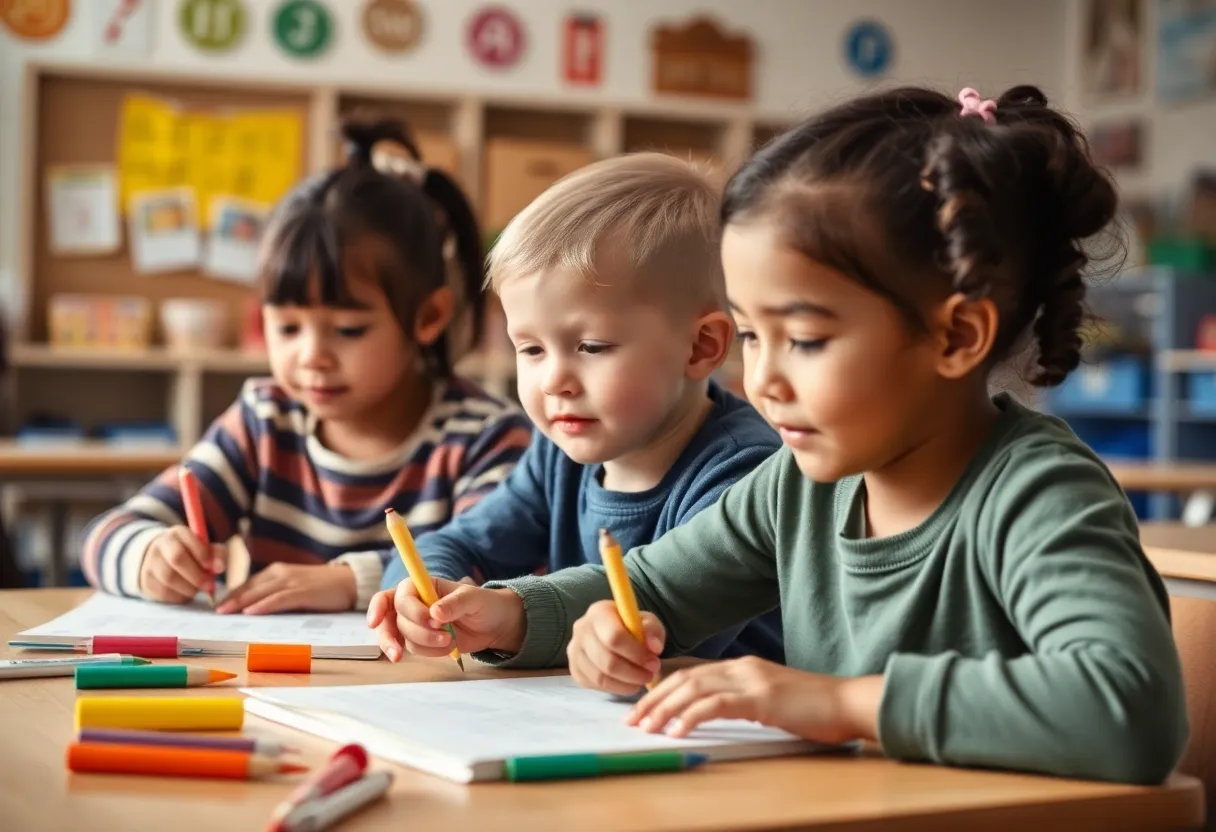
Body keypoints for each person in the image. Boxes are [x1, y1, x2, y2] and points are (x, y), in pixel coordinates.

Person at [371, 87, 1189, 785]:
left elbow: (1131, 710)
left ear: (956, 337)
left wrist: (834, 702)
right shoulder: (801, 485)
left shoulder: (1037, 493)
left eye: (803, 337)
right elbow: (650, 589)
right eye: (752, 336)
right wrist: (515, 617)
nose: (759, 380)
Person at [81, 119, 531, 614]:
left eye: (348, 330)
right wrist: (149, 555)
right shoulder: (264, 420)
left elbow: (504, 572)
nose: (310, 356)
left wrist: (348, 581)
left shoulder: (484, 438)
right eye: (288, 328)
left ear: (429, 318)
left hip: (426, 684)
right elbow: (105, 536)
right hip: (271, 684)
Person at [367, 153, 784, 662]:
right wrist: (421, 589)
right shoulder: (556, 453)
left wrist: (510, 613)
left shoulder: (746, 471)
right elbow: (464, 543)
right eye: (531, 350)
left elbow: (664, 619)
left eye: (591, 347)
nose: (554, 381)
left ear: (700, 348)